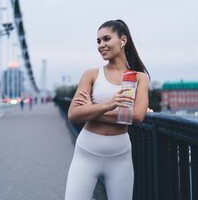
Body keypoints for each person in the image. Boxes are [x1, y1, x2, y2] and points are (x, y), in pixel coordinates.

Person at [64, 20, 149, 200]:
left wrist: (91, 110)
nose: (101, 45)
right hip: (86, 152)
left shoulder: (139, 78)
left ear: (123, 40)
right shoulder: (91, 74)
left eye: (106, 39)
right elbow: (73, 114)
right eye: (98, 41)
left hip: (120, 157)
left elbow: (137, 116)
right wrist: (108, 105)